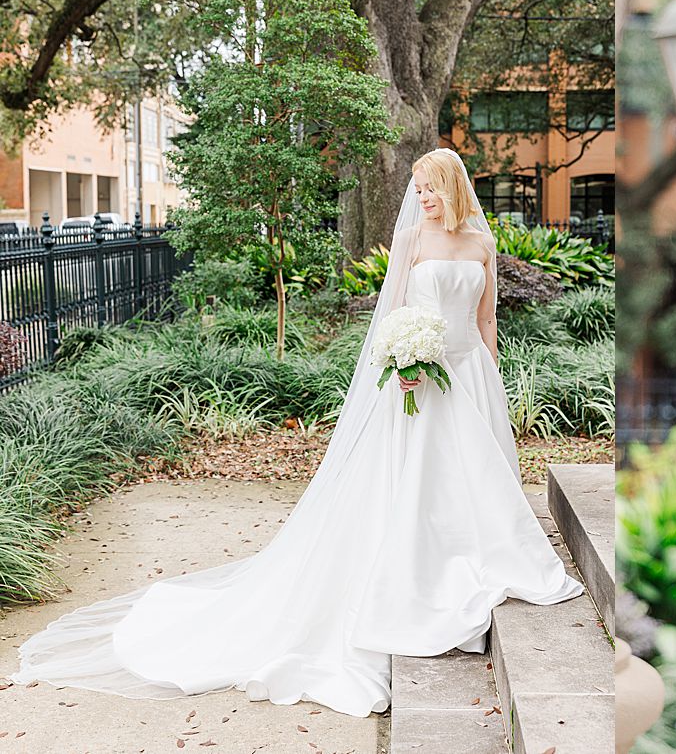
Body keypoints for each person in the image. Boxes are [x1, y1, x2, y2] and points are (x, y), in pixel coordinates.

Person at [11, 148, 583, 717]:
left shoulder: (482, 244)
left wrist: (491, 376)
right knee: (420, 479)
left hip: (469, 373)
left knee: (475, 475)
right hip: (420, 377)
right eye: (419, 189)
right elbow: (394, 314)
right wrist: (403, 364)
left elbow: (486, 319)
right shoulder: (412, 242)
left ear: (453, 187)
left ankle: (478, 555)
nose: (424, 199)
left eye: (432, 188)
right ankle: (419, 574)